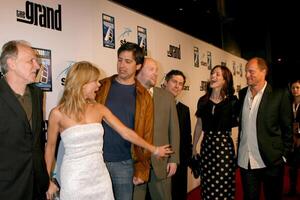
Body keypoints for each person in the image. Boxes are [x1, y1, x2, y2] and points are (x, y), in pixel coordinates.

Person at [44, 61, 172, 200]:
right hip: (74, 178)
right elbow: (50, 148)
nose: (99, 85)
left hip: (100, 177)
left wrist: (154, 149)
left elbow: (125, 132)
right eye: (95, 81)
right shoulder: (57, 113)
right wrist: (47, 180)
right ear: (83, 83)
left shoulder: (99, 109)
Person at [95, 42, 153, 200]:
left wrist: (142, 169)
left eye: (128, 61)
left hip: (125, 164)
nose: (122, 65)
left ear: (138, 65)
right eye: (120, 60)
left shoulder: (144, 96)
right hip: (97, 160)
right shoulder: (101, 86)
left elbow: (147, 133)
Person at [237, 57, 293, 200]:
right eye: (246, 71)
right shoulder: (242, 94)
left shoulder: (279, 94)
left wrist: (283, 155)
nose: (247, 75)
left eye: (251, 71)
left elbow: (287, 128)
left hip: (271, 161)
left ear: (264, 72)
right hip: (246, 161)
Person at [0, 40, 49, 199]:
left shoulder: (37, 94)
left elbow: (37, 141)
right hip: (7, 188)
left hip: (37, 185)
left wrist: (46, 180)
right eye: (31, 61)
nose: (37, 66)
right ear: (11, 63)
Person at [134, 58, 180, 200]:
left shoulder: (167, 97)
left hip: (161, 162)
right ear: (139, 69)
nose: (156, 74)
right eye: (151, 69)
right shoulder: (127, 94)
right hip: (135, 164)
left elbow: (174, 130)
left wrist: (173, 159)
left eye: (157, 70)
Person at [192, 65, 239, 199]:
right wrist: (194, 146)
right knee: (207, 183)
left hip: (224, 147)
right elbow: (199, 125)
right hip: (207, 146)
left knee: (224, 183)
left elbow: (240, 125)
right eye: (212, 73)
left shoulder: (232, 101)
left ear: (225, 80)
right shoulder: (203, 101)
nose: (213, 76)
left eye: (218, 74)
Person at [162, 69, 192, 200]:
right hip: (159, 160)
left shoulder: (184, 110)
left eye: (180, 83)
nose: (177, 86)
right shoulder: (152, 104)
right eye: (174, 81)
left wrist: (184, 161)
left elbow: (186, 138)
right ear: (166, 82)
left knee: (178, 194)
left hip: (179, 162)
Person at [286, 79, 300, 196]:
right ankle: (292, 189)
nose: (295, 90)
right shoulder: (288, 103)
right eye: (293, 88)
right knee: (292, 167)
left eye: (298, 88)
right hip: (292, 139)